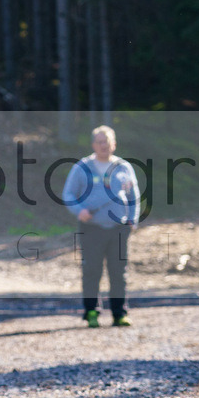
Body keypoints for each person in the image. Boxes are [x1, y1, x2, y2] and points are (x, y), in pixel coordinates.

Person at [62, 126, 140, 328]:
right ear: (93, 144)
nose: (103, 145)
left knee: (118, 272)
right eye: (99, 141)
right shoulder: (82, 167)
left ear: (114, 144)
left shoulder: (124, 167)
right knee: (92, 270)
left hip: (119, 228)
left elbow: (134, 197)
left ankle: (119, 314)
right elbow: (69, 195)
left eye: (107, 141)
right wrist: (80, 211)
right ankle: (91, 312)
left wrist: (133, 219)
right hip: (92, 228)